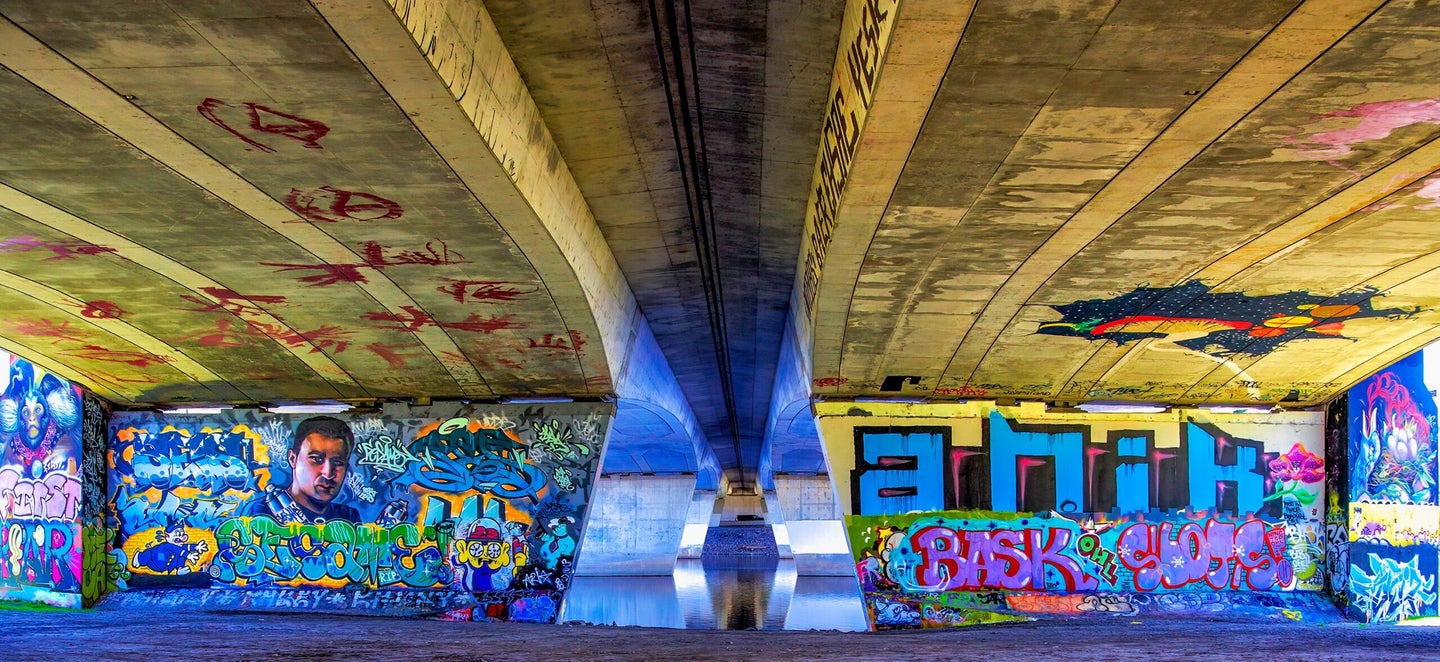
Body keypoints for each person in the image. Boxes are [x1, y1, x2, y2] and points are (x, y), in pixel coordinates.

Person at [260, 416, 361, 523]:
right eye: (316, 459)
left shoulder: (347, 516)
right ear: (293, 459)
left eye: (338, 462)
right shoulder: (262, 512)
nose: (328, 473)